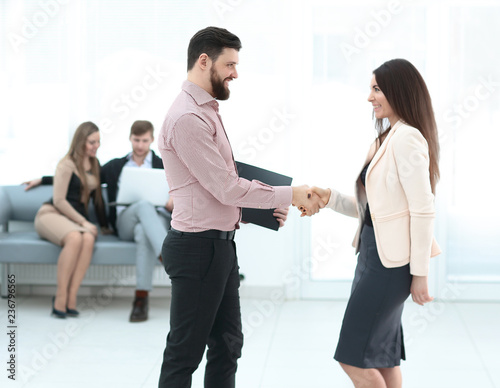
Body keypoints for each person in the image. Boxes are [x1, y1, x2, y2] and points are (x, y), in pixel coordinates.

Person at [157, 26, 321, 387]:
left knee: (228, 344)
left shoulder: (206, 111)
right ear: (204, 61)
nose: (235, 73)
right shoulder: (187, 118)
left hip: (219, 247)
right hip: (198, 249)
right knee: (184, 354)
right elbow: (226, 187)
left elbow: (215, 186)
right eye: (229, 64)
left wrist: (263, 208)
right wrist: (289, 194)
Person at [309, 58, 441, 388]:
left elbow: (422, 210)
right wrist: (329, 198)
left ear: (399, 91)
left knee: (351, 358)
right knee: (382, 356)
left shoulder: (408, 139)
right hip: (371, 257)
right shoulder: (384, 139)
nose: (370, 97)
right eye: (370, 89)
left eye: (377, 89)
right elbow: (375, 210)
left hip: (389, 267)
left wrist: (420, 274)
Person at [26, 120, 173, 322]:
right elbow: (73, 177)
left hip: (151, 224)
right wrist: (43, 179)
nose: (140, 145)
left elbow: (182, 186)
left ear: (152, 140)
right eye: (136, 140)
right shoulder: (114, 166)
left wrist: (175, 197)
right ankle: (169, 257)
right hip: (123, 222)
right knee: (143, 205)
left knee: (142, 230)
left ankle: (141, 299)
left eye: (144, 140)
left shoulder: (163, 166)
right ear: (130, 138)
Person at [34, 121, 109, 319]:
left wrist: (104, 226)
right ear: (80, 141)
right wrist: (84, 222)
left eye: (99, 142)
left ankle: (71, 297)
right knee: (76, 237)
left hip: (73, 221)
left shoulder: (94, 164)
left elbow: (98, 199)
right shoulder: (66, 163)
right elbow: (59, 200)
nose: (96, 146)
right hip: (51, 214)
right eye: (92, 142)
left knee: (89, 238)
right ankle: (60, 297)